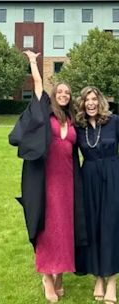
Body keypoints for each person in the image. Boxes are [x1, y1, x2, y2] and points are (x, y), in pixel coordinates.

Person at [9, 50, 86, 303]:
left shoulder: (73, 120)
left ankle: (61, 272)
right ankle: (47, 276)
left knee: (65, 227)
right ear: (54, 96)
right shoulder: (45, 113)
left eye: (67, 93)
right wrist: (32, 61)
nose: (63, 95)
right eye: (60, 92)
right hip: (46, 179)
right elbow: (39, 85)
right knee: (48, 228)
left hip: (68, 180)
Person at [74, 86, 119, 304]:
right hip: (89, 178)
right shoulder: (79, 127)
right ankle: (98, 277)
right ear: (81, 104)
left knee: (110, 226)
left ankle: (111, 280)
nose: (90, 103)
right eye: (86, 100)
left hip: (113, 176)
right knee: (93, 227)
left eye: (94, 99)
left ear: (100, 101)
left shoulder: (114, 121)